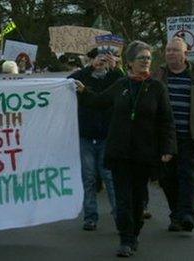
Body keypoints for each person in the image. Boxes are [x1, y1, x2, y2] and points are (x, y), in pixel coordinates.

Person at [76, 40, 176, 257]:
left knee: (138, 197)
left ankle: (135, 232)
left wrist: (168, 148)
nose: (146, 62)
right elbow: (98, 101)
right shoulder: (121, 85)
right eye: (141, 58)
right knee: (123, 198)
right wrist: (83, 90)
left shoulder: (157, 88)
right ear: (130, 62)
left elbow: (166, 121)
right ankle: (126, 238)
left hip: (144, 152)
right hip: (120, 152)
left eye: (149, 58)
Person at [153, 37, 194, 232]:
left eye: (175, 50)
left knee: (187, 175)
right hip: (165, 137)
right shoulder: (159, 75)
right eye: (168, 50)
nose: (170, 53)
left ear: (186, 53)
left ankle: (187, 214)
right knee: (167, 177)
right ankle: (176, 214)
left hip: (189, 135)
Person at [68, 48, 124, 231]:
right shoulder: (83, 77)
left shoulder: (113, 79)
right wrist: (89, 68)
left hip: (107, 135)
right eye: (99, 60)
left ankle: (119, 215)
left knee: (110, 178)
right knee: (88, 177)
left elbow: (125, 83)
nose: (102, 64)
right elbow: (69, 81)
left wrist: (115, 68)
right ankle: (90, 216)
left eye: (105, 60)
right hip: (86, 135)